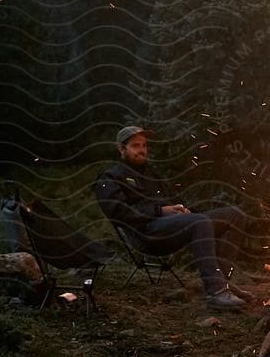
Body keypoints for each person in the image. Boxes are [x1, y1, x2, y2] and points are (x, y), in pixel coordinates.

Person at [97, 125, 250, 310]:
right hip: (147, 234)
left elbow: (171, 201)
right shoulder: (110, 177)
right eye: (136, 146)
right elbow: (119, 212)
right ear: (121, 149)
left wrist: (183, 209)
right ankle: (216, 293)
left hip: (170, 227)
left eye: (144, 145)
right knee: (199, 221)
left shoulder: (150, 174)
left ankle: (221, 281)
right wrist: (161, 211)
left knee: (235, 215)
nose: (142, 150)